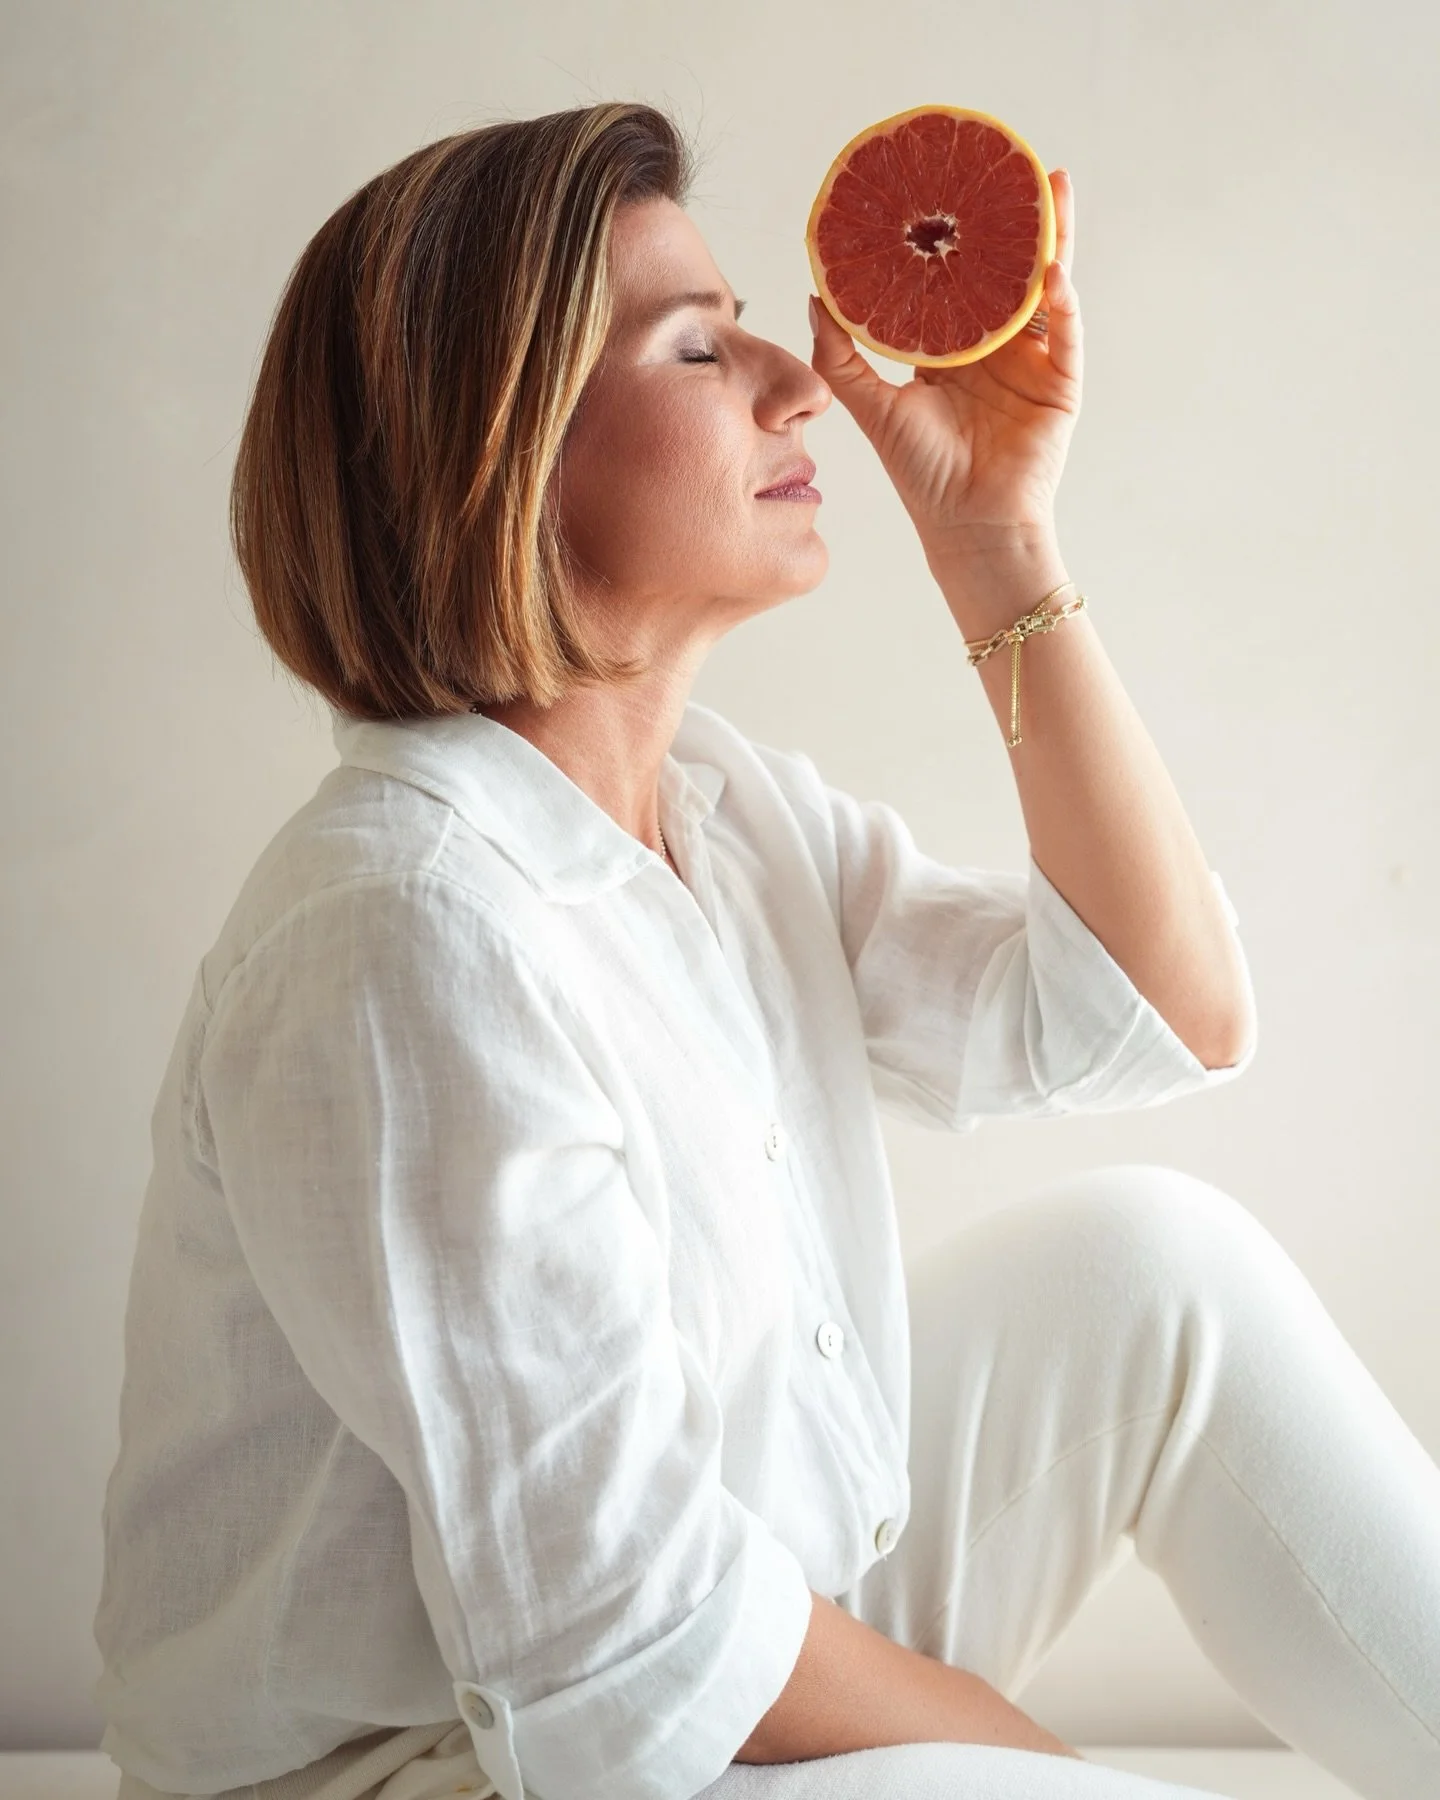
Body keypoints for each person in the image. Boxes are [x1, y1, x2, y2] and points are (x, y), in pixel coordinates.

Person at [91, 101, 1440, 1800]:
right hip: (449, 1762)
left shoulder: (718, 813)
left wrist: (995, 543)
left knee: (1155, 1269)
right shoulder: (407, 927)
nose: (801, 382)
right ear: (498, 444)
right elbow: (625, 1650)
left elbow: (1154, 1012)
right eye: (696, 346)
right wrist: (1039, 1759)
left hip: (691, 1639)